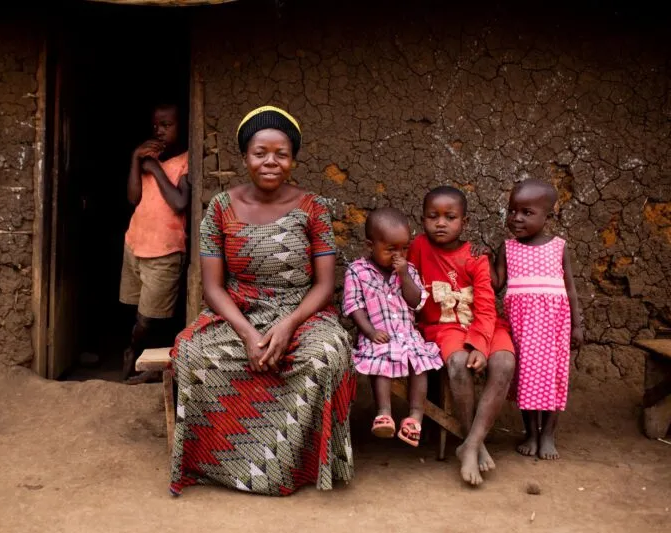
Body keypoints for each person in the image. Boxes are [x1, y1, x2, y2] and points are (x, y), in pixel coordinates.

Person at [170, 106, 355, 496]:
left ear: (293, 159)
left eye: (281, 154)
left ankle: (294, 465)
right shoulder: (219, 209)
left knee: (326, 354)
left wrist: (288, 325)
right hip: (240, 312)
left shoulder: (313, 208)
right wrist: (248, 334)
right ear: (245, 157)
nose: (271, 162)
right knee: (191, 353)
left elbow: (324, 286)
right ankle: (222, 463)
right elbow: (213, 288)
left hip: (303, 313)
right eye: (260, 153)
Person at [407, 186, 516, 486]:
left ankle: (471, 443)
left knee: (504, 363)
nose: (440, 223)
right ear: (423, 219)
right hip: (444, 327)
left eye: (450, 217)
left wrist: (480, 345)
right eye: (433, 216)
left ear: (464, 222)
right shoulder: (418, 248)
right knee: (458, 363)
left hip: (483, 324)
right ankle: (473, 442)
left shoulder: (476, 258)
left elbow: (485, 306)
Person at [488, 179, 583, 460]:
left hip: (554, 328)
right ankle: (530, 432)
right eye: (512, 211)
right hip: (522, 329)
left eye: (527, 212)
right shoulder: (508, 248)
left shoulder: (558, 247)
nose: (517, 218)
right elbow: (497, 285)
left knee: (552, 380)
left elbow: (571, 289)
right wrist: (484, 264)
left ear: (548, 217)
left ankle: (548, 434)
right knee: (526, 381)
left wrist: (578, 325)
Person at [343, 207, 443, 445]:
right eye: (390, 249)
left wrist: (405, 275)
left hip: (408, 336)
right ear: (370, 245)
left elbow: (416, 301)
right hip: (378, 335)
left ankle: (414, 418)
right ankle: (384, 414)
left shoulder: (408, 271)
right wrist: (370, 332)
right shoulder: (357, 271)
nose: (398, 255)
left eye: (404, 248)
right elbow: (353, 306)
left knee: (420, 362)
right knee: (381, 357)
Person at [121, 103, 190, 383]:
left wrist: (156, 169)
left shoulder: (187, 160)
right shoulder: (148, 158)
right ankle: (143, 361)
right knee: (136, 311)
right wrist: (136, 160)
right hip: (135, 243)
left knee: (150, 318)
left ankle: (138, 357)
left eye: (166, 125)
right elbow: (133, 198)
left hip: (164, 250)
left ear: (182, 126)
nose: (159, 131)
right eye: (155, 126)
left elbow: (180, 202)